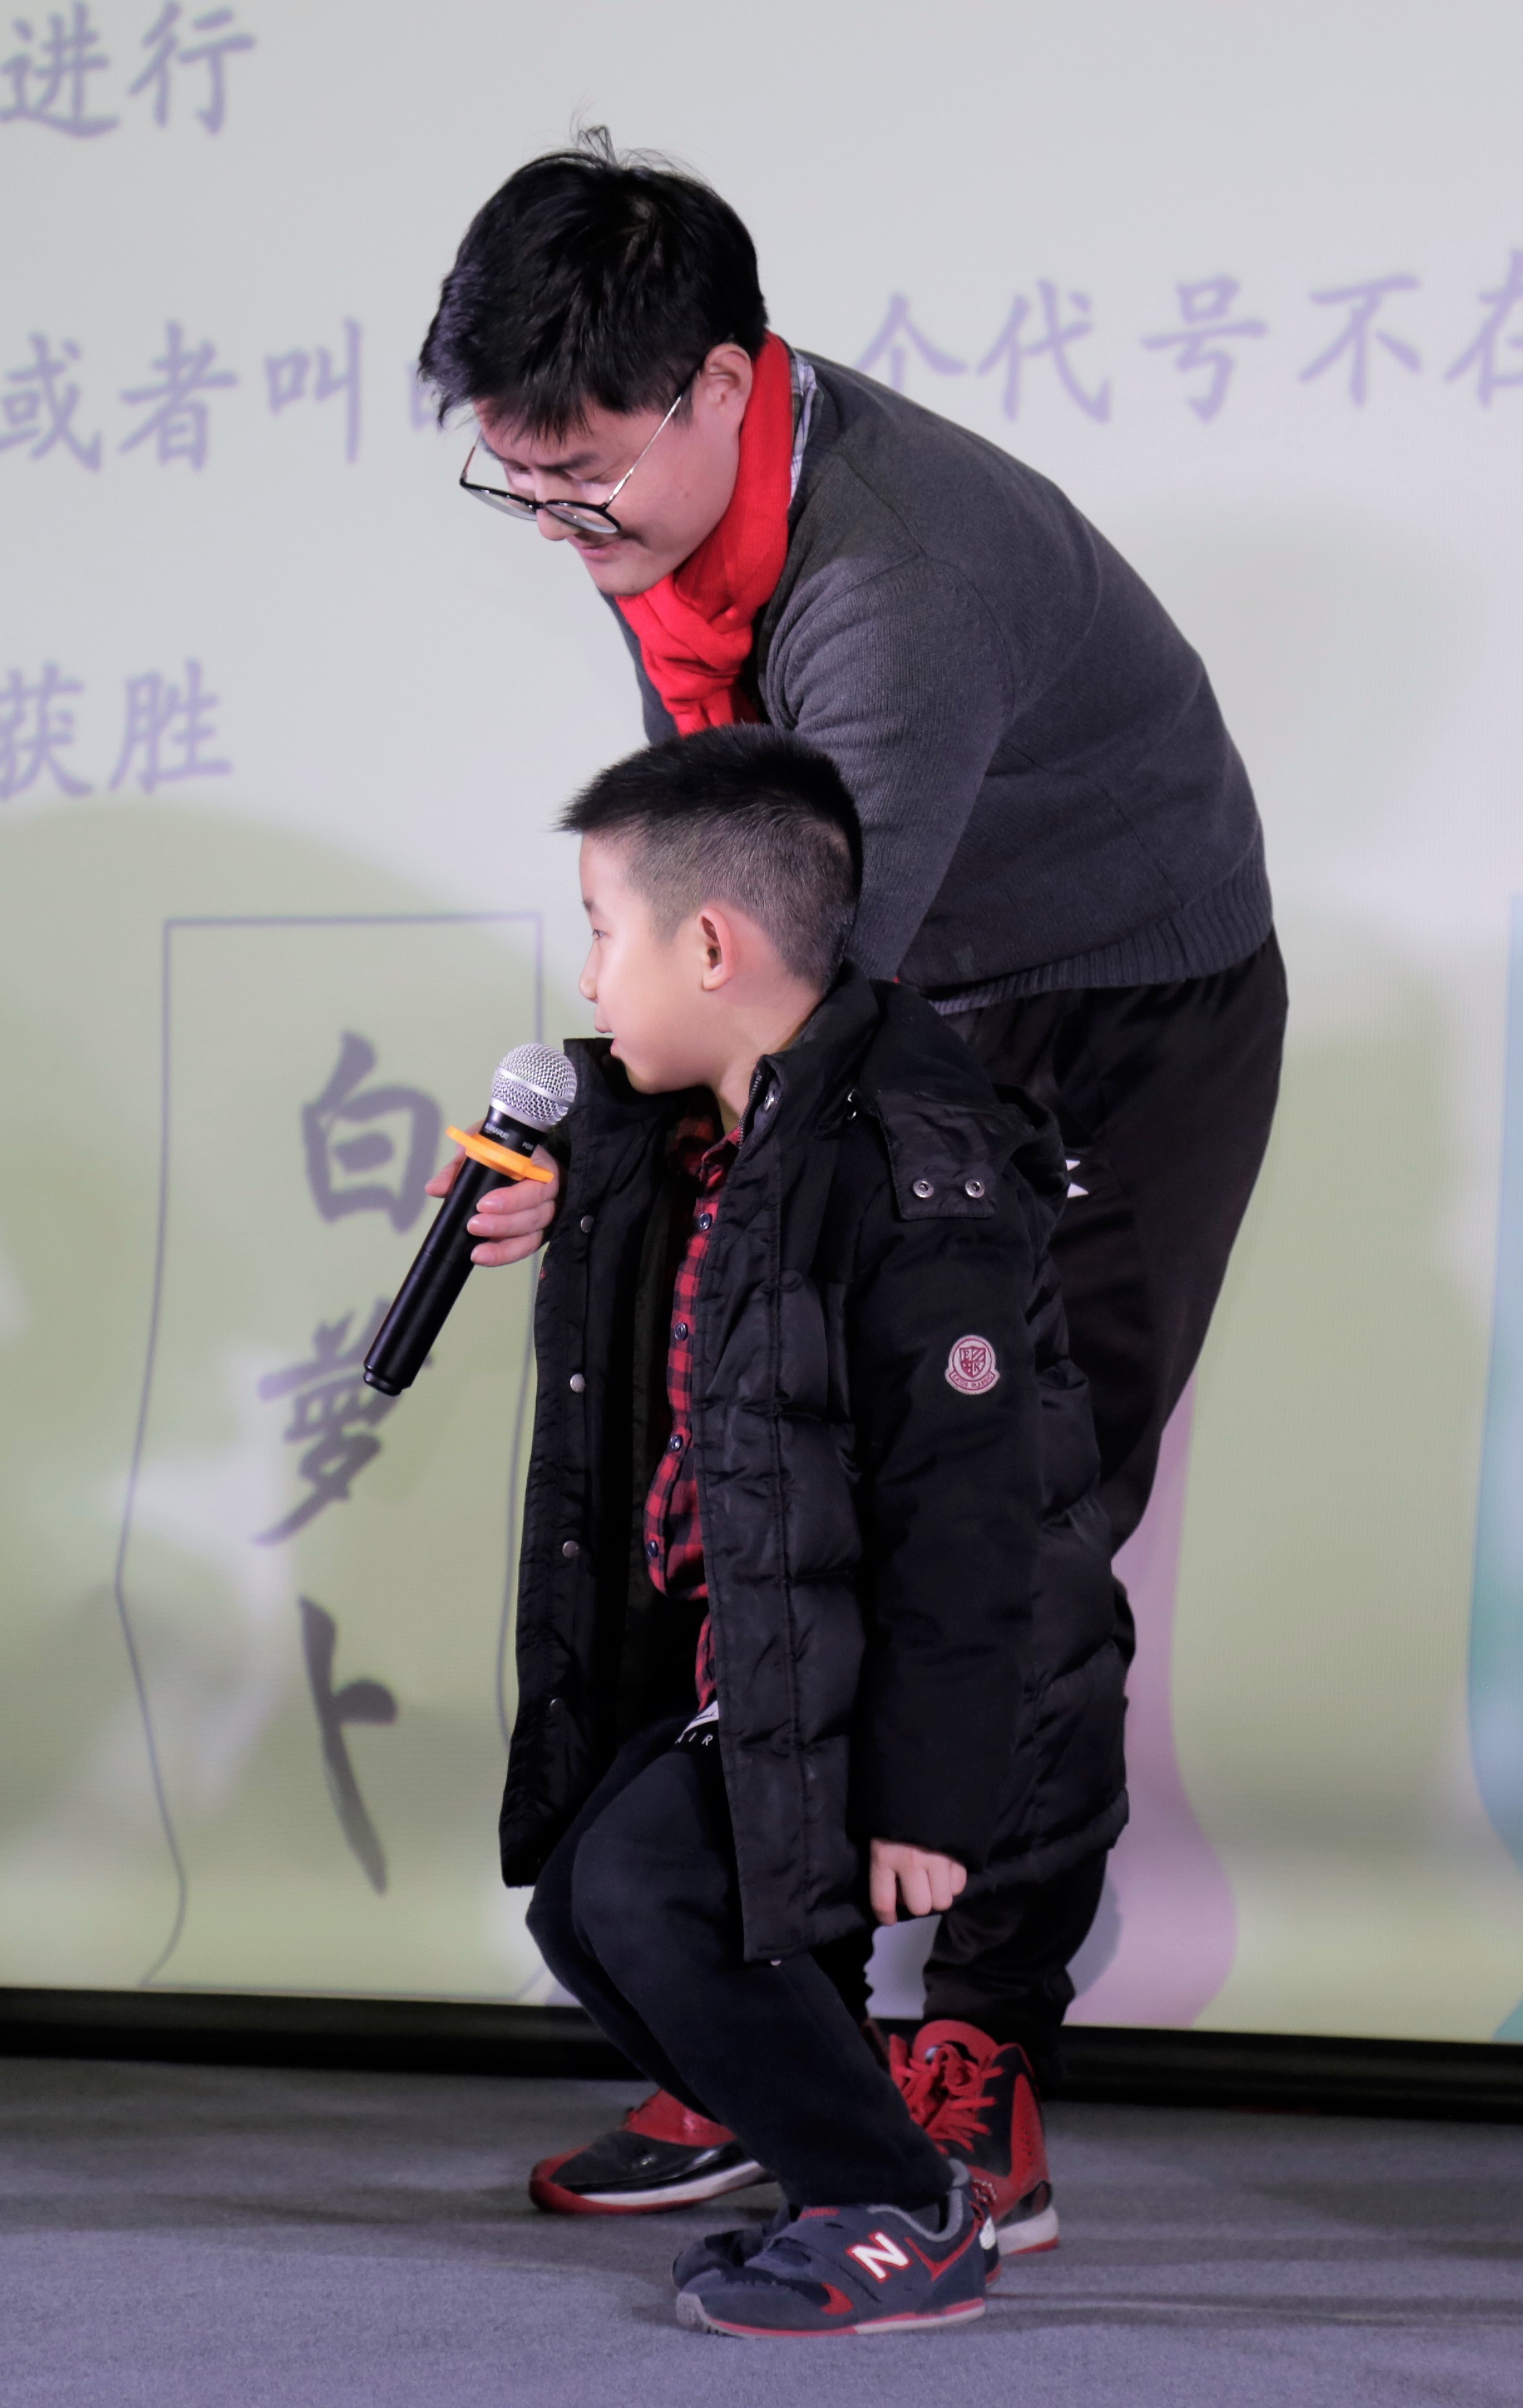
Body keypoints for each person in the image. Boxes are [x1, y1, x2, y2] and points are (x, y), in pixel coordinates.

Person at [421, 131, 1284, 2245]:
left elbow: (802, 978)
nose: (562, 525)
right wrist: (597, 1165)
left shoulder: (900, 583)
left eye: (585, 478)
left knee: (1007, 1521)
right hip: (887, 986)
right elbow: (718, 899)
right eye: (519, 483)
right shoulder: (675, 523)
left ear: (722, 383)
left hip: (1110, 1014)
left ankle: (976, 2043)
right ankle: (775, 2039)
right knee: (739, 1474)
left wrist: (628, 1144)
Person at [508, 726, 1121, 2335]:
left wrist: (926, 1794)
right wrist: (563, 1163)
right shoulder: (750, 1118)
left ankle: (901, 2208)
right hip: (790, 1657)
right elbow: (642, 1162)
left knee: (648, 1889)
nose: (588, 979)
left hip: (916, 1684)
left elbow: (968, 1511)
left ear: (711, 948)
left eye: (603, 932)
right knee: (587, 1898)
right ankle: (847, 2176)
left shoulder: (914, 1169)